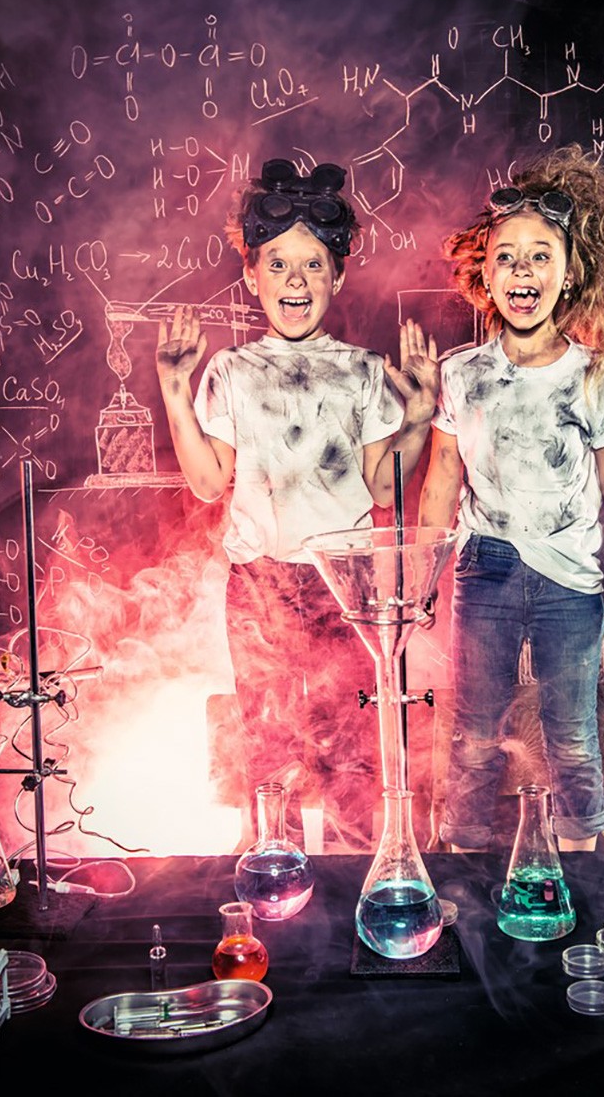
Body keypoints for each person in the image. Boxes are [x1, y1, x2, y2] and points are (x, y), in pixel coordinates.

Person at [155, 158, 439, 842]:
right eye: (278, 264)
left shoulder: (362, 371)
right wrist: (174, 391)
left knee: (352, 743)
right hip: (260, 584)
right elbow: (207, 482)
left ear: (337, 276)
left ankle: (357, 865)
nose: (296, 281)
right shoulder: (230, 370)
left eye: (313, 265)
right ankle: (274, 862)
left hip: (345, 582)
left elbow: (381, 488)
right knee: (267, 740)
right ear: (251, 275)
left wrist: (419, 418)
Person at [418, 143, 604, 853]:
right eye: (507, 257)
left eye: (539, 256)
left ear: (568, 273)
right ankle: (462, 853)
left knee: (573, 737)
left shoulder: (595, 376)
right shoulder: (462, 374)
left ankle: (580, 861)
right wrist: (420, 580)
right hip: (486, 569)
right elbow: (441, 481)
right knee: (473, 731)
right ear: (486, 276)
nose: (522, 270)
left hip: (569, 579)